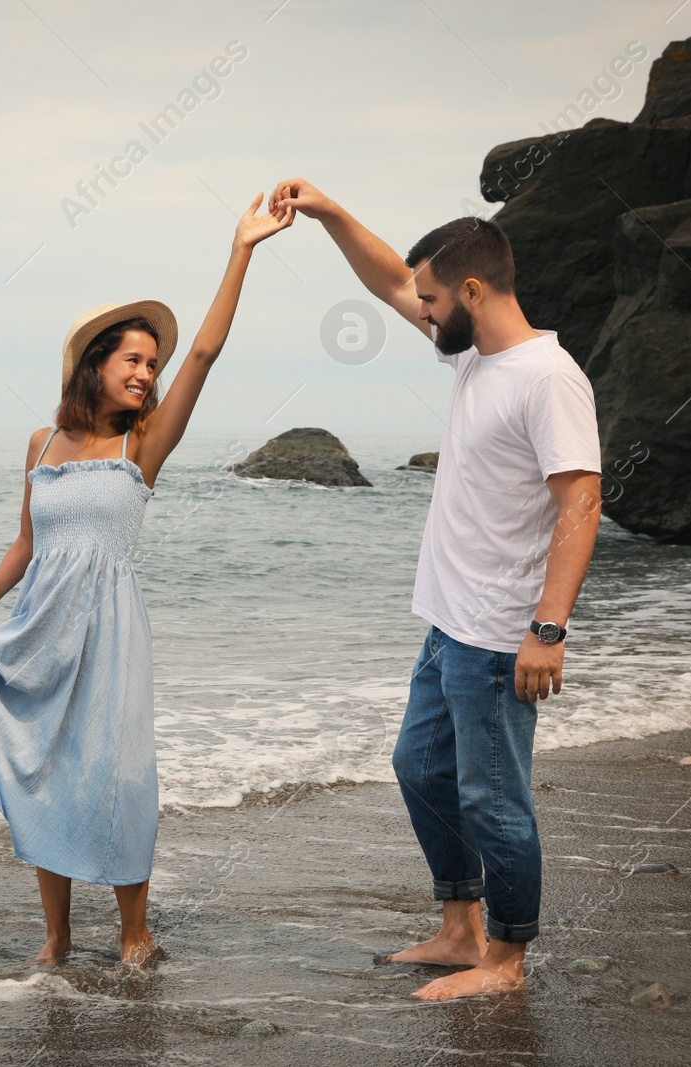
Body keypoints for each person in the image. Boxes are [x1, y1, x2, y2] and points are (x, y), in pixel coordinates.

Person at [268, 178, 602, 1000]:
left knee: (495, 799)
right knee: (420, 768)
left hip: (499, 636)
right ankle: (461, 928)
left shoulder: (546, 377)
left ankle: (507, 960)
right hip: (450, 623)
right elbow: (390, 275)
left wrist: (547, 629)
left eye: (432, 298)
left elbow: (582, 501)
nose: (419, 310)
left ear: (475, 292)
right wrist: (329, 213)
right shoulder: (476, 353)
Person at [0, 193, 294, 967]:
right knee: (46, 773)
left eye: (152, 363)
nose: (147, 373)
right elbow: (27, 541)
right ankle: (57, 936)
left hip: (109, 631)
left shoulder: (141, 444)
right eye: (133, 360)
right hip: (42, 624)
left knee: (118, 776)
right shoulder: (45, 439)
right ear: (96, 365)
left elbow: (203, 353)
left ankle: (135, 932)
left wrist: (241, 247)